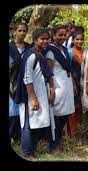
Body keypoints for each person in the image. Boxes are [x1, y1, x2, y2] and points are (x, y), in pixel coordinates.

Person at [18, 29, 55, 159]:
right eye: (42, 39)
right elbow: (27, 78)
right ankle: (27, 153)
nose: (45, 41)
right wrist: (33, 98)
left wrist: (51, 91)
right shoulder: (31, 55)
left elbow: (47, 74)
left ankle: (32, 150)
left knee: (36, 123)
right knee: (28, 124)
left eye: (47, 39)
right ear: (35, 40)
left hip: (40, 93)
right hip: (31, 96)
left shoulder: (40, 54)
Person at [45, 25, 75, 151]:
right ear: (54, 35)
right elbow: (49, 72)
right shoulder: (51, 51)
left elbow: (68, 69)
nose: (62, 37)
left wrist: (73, 84)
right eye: (60, 35)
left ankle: (58, 141)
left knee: (64, 114)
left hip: (67, 86)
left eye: (64, 35)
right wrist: (51, 89)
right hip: (57, 87)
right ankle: (53, 144)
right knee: (56, 116)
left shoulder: (64, 49)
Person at [9, 22, 32, 145]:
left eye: (24, 31)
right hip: (12, 83)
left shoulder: (29, 48)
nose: (22, 33)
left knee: (23, 110)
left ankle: (19, 135)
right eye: (20, 30)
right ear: (15, 32)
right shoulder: (10, 47)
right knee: (12, 110)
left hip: (26, 83)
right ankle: (11, 134)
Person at [63, 30, 84, 137]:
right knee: (73, 108)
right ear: (73, 40)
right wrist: (73, 84)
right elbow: (68, 70)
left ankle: (75, 130)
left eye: (81, 39)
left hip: (83, 83)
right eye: (77, 39)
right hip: (73, 83)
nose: (79, 41)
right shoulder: (69, 52)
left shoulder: (85, 51)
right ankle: (70, 132)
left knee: (80, 107)